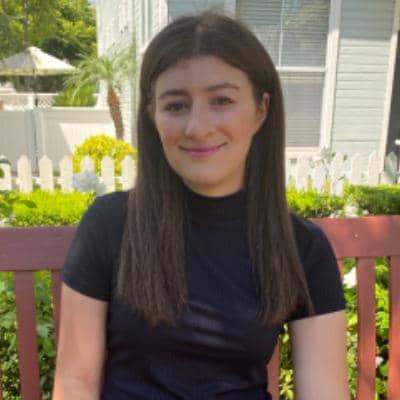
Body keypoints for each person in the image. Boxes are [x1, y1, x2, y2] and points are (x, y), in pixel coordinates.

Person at [52, 11, 349, 400]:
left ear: (261, 110)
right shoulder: (111, 225)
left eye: (221, 100)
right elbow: (75, 381)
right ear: (152, 115)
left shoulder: (301, 248)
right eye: (176, 105)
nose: (198, 127)